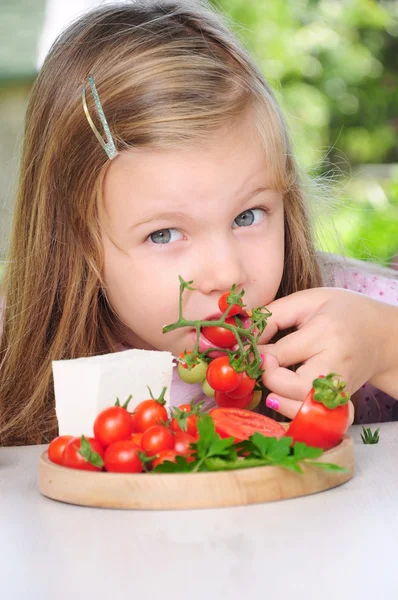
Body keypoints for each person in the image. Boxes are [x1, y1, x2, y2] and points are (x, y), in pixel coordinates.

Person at [0, 0, 396, 446]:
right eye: (164, 234)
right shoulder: (9, 353)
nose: (226, 274)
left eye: (248, 216)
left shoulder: (352, 318)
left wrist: (385, 347)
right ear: (77, 242)